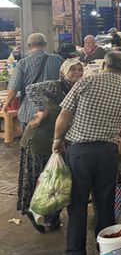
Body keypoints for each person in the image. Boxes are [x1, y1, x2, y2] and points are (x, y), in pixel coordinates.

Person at [52, 51, 121, 255]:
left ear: (104, 64)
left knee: (77, 204)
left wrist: (57, 140)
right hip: (107, 153)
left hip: (79, 152)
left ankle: (75, 252)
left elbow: (65, 114)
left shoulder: (85, 82)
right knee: (105, 202)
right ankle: (105, 247)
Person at [17, 59, 83, 234]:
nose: (77, 72)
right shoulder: (56, 86)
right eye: (72, 70)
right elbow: (31, 89)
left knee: (57, 180)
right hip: (40, 139)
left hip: (57, 141)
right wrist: (42, 108)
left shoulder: (77, 89)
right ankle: (39, 212)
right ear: (63, 72)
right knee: (43, 179)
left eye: (79, 69)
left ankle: (50, 217)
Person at [3, 33, 65, 130]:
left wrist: (6, 104)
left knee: (30, 143)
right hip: (54, 110)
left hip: (30, 111)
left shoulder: (23, 63)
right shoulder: (58, 59)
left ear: (29, 46)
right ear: (45, 44)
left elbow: (14, 88)